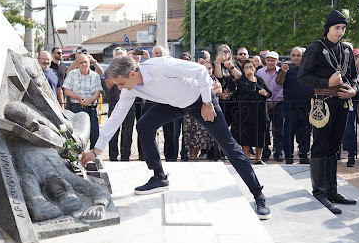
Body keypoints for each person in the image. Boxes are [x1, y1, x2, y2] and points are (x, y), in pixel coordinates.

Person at [79, 55, 271, 219]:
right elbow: (116, 117)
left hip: (199, 100)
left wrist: (206, 102)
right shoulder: (131, 88)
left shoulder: (161, 66)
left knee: (229, 146)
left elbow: (201, 71)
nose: (120, 88)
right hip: (173, 104)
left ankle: (258, 195)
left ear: (131, 73)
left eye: (120, 83)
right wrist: (96, 151)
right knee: (145, 126)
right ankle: (159, 177)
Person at [298, 10, 359, 214]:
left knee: (334, 146)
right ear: (328, 28)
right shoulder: (315, 48)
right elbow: (303, 76)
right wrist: (327, 82)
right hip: (321, 102)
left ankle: (332, 190)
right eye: (336, 28)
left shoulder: (347, 51)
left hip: (342, 103)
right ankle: (319, 191)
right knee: (321, 144)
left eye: (343, 28)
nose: (340, 32)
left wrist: (354, 90)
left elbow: (354, 76)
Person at [277, 46, 313, 164]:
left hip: (307, 106)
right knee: (288, 132)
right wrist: (283, 72)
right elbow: (279, 82)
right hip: (290, 106)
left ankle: (303, 155)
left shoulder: (309, 69)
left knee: (305, 132)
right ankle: (289, 156)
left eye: (299, 55)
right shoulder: (285, 69)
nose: (296, 58)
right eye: (293, 55)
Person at [63, 53, 103, 150]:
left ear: (89, 62)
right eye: (81, 63)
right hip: (76, 108)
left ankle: (93, 156)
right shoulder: (72, 74)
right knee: (76, 135)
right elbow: (66, 91)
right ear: (77, 64)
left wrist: (89, 100)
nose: (84, 64)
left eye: (85, 62)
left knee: (94, 134)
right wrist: (79, 98)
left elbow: (98, 93)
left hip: (91, 108)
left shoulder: (95, 76)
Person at [236, 58, 272, 164]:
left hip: (260, 112)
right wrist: (251, 78)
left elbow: (269, 93)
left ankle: (258, 158)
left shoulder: (259, 79)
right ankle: (247, 158)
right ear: (243, 69)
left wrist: (265, 94)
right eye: (246, 67)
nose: (249, 69)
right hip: (246, 113)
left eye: (251, 67)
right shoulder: (241, 80)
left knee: (260, 135)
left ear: (255, 68)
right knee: (246, 136)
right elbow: (250, 89)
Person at [183, 62, 219, 160]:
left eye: (209, 68)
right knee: (193, 144)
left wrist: (206, 91)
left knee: (207, 142)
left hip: (207, 115)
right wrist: (209, 89)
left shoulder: (214, 79)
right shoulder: (194, 80)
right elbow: (196, 93)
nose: (208, 70)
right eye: (205, 68)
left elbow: (219, 89)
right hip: (193, 116)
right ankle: (192, 162)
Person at [105, 47, 135, 161]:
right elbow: (108, 85)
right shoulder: (109, 70)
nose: (120, 59)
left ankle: (125, 156)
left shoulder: (131, 70)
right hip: (115, 102)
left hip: (129, 102)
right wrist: (117, 76)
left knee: (128, 131)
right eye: (118, 56)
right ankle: (113, 156)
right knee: (113, 130)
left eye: (123, 56)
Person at [258, 51, 286, 161]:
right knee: (264, 129)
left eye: (273, 60)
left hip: (279, 104)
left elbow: (284, 87)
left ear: (277, 61)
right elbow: (259, 87)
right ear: (265, 60)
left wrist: (275, 100)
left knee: (278, 129)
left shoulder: (282, 72)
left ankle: (278, 151)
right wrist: (268, 100)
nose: (270, 62)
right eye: (268, 60)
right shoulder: (259, 72)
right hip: (264, 104)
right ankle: (265, 151)